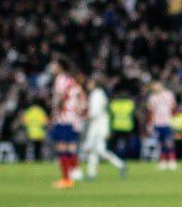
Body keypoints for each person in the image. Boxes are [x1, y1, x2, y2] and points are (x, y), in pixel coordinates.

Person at [49, 59, 87, 189]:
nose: (51, 67)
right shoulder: (73, 82)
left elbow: (58, 99)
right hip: (74, 119)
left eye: (53, 64)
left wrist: (54, 115)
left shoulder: (60, 79)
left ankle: (66, 179)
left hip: (64, 118)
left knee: (62, 147)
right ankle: (74, 172)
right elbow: (83, 102)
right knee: (70, 146)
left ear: (59, 66)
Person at [83, 77, 129, 180]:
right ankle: (91, 174)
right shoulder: (98, 93)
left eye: (89, 82)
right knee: (94, 151)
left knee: (99, 150)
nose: (87, 84)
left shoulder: (96, 94)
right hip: (98, 126)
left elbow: (95, 112)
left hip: (98, 127)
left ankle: (121, 165)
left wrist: (85, 116)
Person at [146, 81, 178, 171]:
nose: (155, 88)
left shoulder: (169, 95)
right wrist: (149, 124)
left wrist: (175, 120)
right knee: (160, 143)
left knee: (169, 142)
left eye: (156, 86)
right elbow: (150, 112)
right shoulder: (152, 98)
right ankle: (163, 161)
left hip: (167, 122)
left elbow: (174, 108)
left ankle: (172, 161)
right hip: (157, 123)